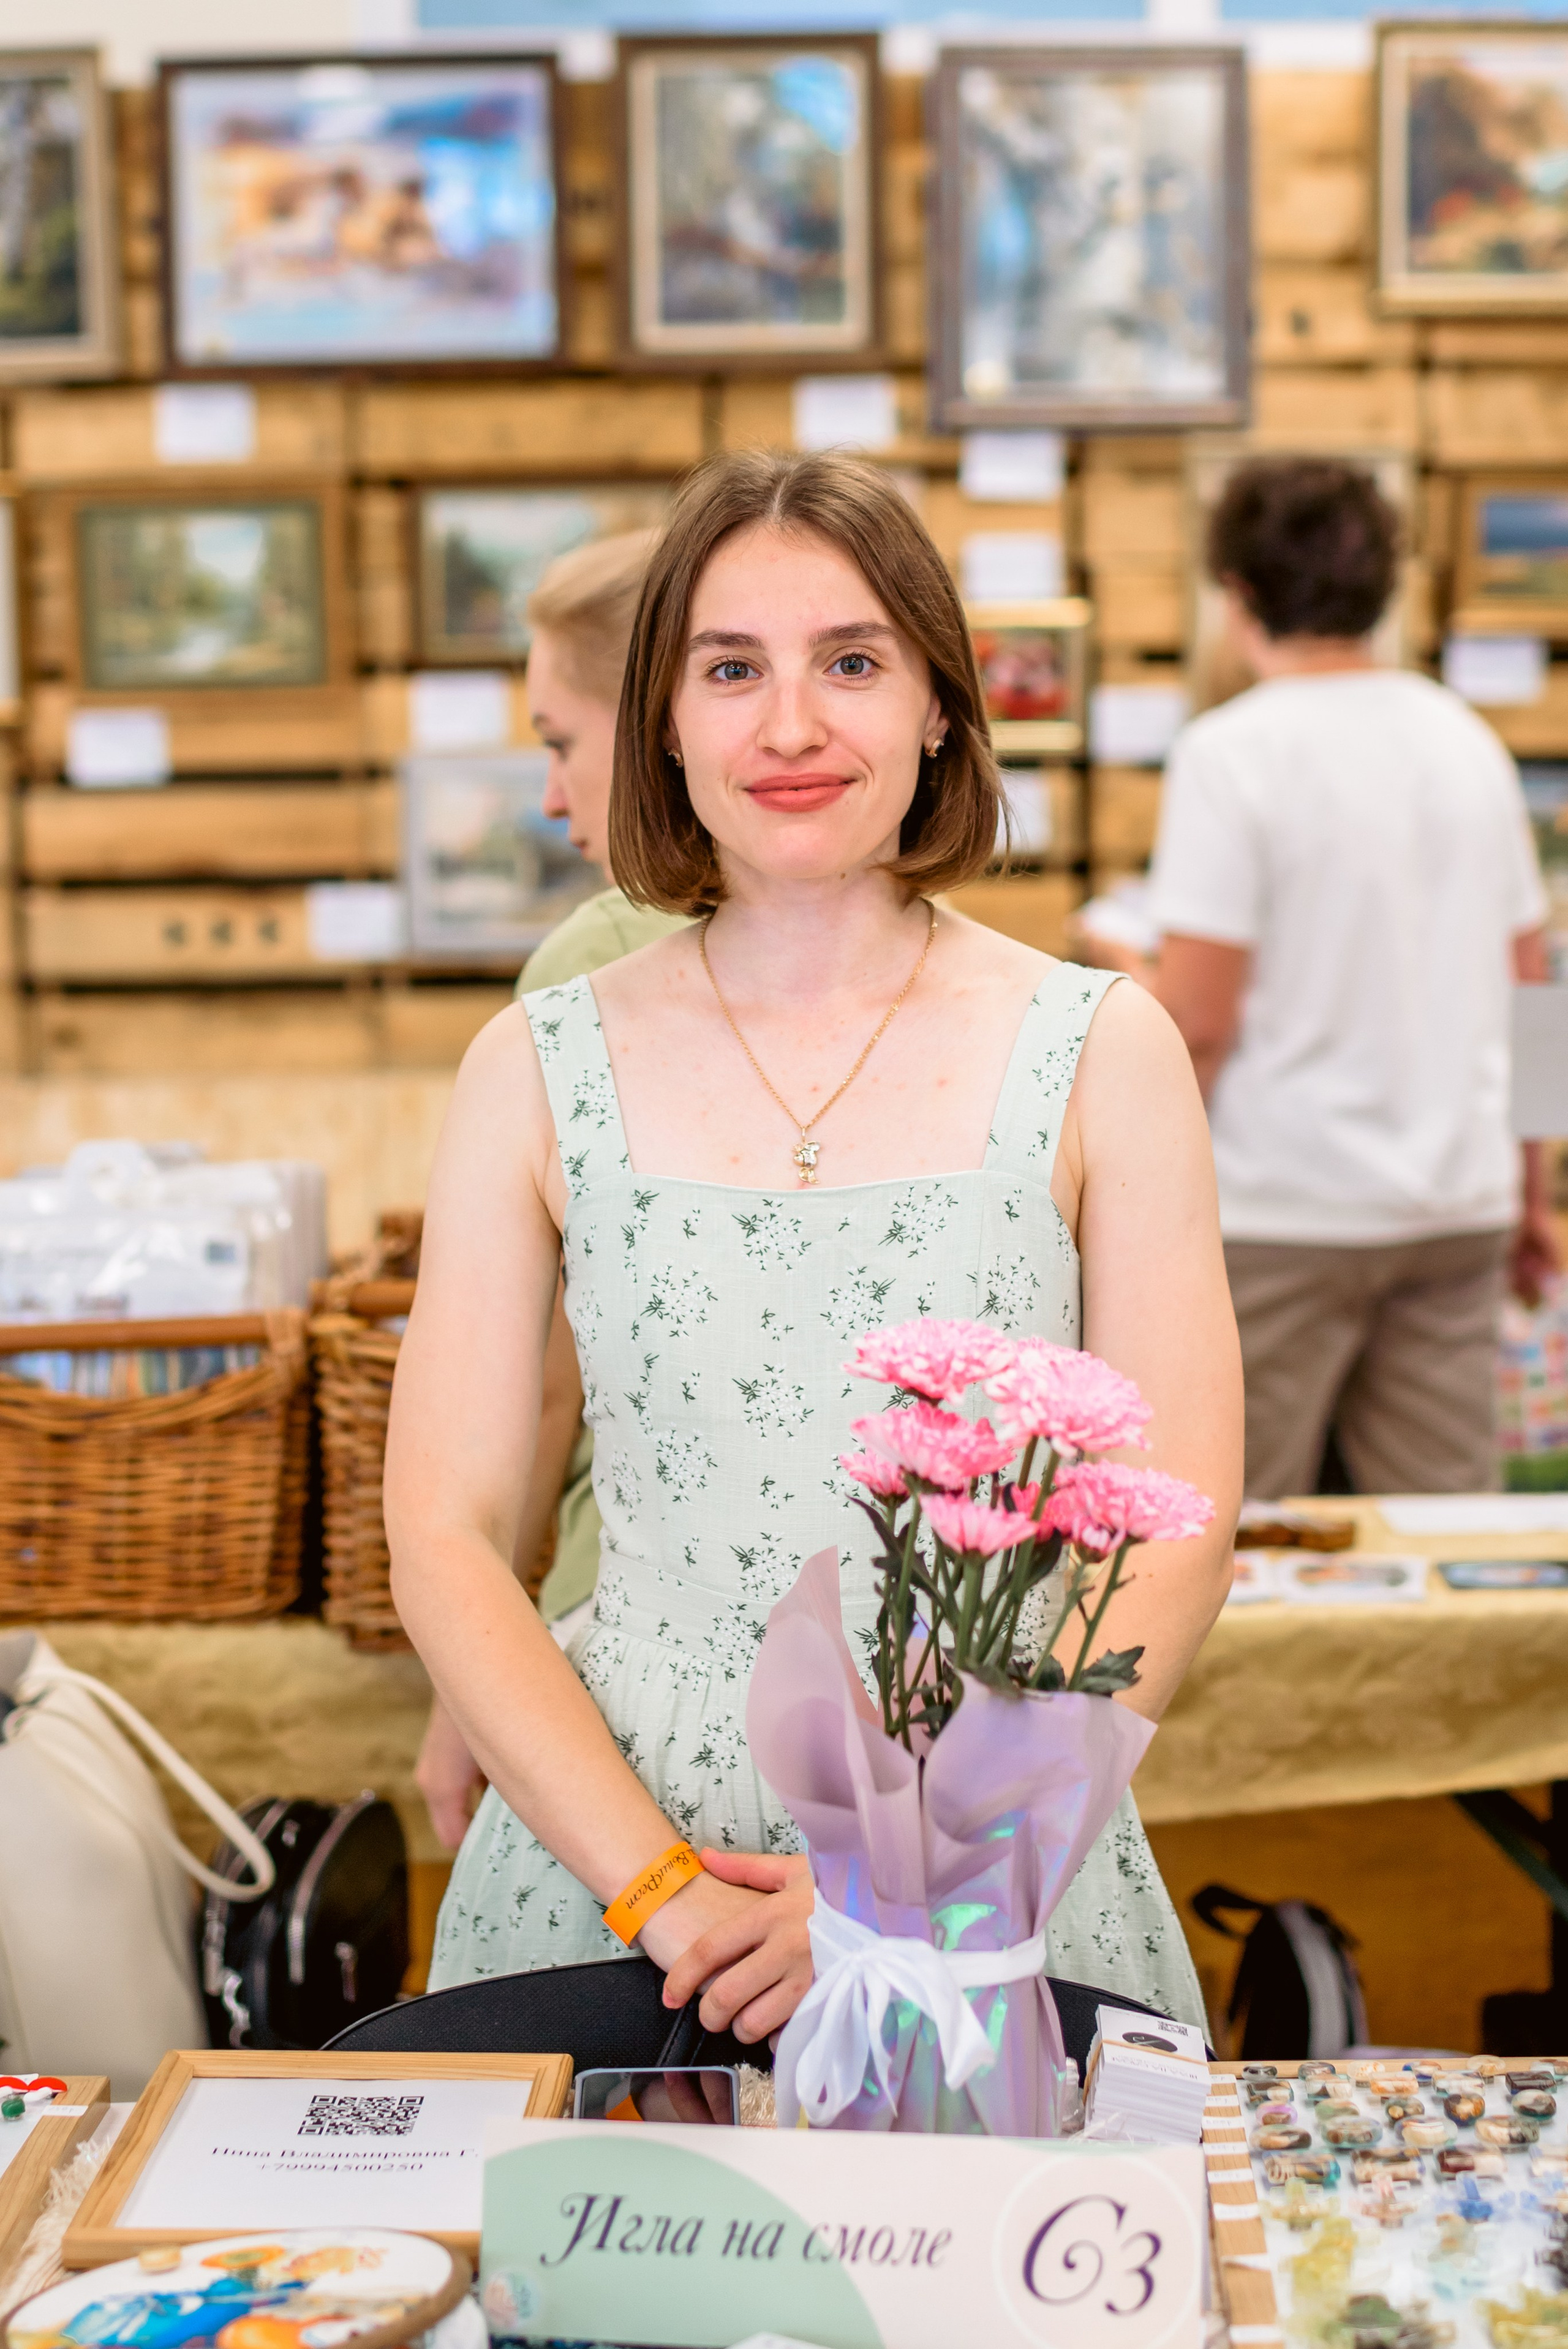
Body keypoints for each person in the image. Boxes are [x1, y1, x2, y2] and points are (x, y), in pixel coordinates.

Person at [386, 448, 1242, 2045]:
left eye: (850, 660)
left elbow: (1179, 1520)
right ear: (665, 716)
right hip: (611, 1861)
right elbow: (441, 1525)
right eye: (732, 668)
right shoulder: (536, 1063)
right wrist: (664, 1891)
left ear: (937, 704)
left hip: (988, 1865)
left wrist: (915, 1878)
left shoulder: (1101, 1047)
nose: (789, 724)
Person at [1136, 456, 1558, 1499]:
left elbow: (1195, 1023)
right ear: (1387, 587)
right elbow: (1536, 991)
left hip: (1285, 1209)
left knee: (1239, 1540)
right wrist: (1535, 1189)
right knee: (1445, 1542)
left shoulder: (1231, 754)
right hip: (1457, 1204)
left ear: (1235, 595)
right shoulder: (1467, 743)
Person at [413, 530, 685, 1851]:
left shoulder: (583, 973)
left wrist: (474, 1679)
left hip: (619, 1613)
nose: (549, 796)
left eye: (560, 741)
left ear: (648, 731)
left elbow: (551, 1375)